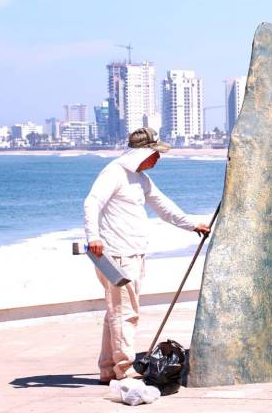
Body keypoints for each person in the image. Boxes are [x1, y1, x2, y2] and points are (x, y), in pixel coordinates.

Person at [84, 127, 210, 384]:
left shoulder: (141, 179)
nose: (158, 159)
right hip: (116, 255)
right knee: (125, 313)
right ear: (143, 152)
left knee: (115, 312)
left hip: (133, 253)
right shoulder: (114, 173)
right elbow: (91, 203)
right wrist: (93, 237)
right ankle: (124, 369)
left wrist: (192, 224)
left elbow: (164, 207)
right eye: (155, 153)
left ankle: (108, 369)